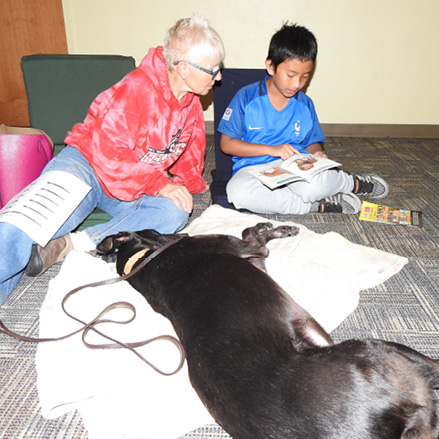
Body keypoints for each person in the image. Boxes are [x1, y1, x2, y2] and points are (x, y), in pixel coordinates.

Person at [0, 14, 225, 303]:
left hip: (132, 185)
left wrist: (188, 181)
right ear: (182, 69)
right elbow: (109, 152)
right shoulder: (136, 88)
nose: (218, 76)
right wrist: (160, 184)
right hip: (89, 164)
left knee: (175, 211)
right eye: (212, 69)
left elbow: (189, 144)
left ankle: (71, 244)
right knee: (29, 221)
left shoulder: (191, 100)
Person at [217, 23, 388, 215]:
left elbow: (312, 142)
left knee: (314, 187)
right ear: (271, 66)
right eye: (290, 75)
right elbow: (227, 144)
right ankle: (314, 206)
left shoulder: (305, 104)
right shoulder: (246, 97)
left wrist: (317, 154)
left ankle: (351, 182)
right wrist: (271, 150)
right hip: (252, 168)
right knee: (238, 194)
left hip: (294, 166)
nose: (297, 84)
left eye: (305, 77)